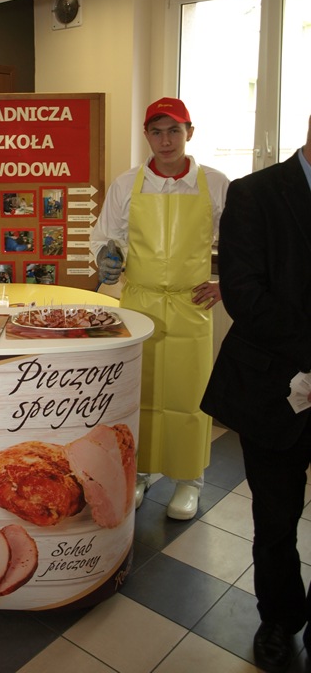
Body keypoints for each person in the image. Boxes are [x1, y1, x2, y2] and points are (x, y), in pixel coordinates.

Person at [199, 116, 311, 673]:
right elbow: (243, 293)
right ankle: (279, 619)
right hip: (270, 387)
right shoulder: (255, 194)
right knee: (275, 517)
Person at [90, 97, 229, 519]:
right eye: (156, 131)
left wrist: (225, 285)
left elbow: (241, 243)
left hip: (191, 303)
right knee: (141, 391)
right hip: (140, 302)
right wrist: (106, 257)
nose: (165, 140)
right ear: (146, 135)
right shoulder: (127, 184)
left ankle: (189, 480)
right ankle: (142, 472)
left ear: (190, 132)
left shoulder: (215, 184)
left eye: (174, 130)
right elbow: (104, 236)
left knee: (189, 394)